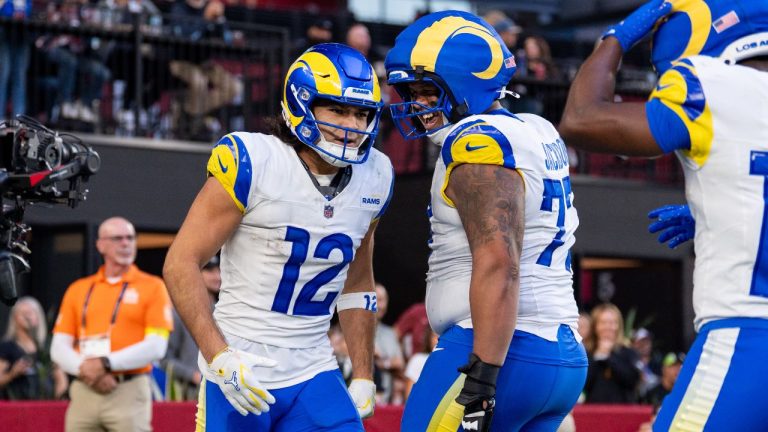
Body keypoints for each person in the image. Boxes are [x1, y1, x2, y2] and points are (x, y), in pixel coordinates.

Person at [163, 43, 394, 431]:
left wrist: (364, 372)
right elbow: (180, 262)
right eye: (336, 109)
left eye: (360, 113)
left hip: (314, 367)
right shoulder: (254, 161)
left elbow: (357, 280)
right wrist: (219, 356)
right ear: (301, 104)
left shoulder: (376, 175)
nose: (352, 126)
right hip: (242, 365)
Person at [559, 0, 768, 429]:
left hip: (747, 335)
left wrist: (614, 40)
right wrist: (721, 213)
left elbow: (581, 119)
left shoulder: (711, 84)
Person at [385, 10, 587, 431]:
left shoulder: (477, 142)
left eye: (426, 90)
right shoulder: (537, 128)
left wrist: (483, 372)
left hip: (496, 350)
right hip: (561, 355)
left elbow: (500, 261)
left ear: (465, 82)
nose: (416, 104)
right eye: (410, 91)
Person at [50, 216, 173, 432]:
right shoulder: (78, 289)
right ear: (100, 245)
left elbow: (156, 346)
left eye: (130, 238)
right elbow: (58, 347)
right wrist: (88, 371)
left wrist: (106, 364)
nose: (126, 243)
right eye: (118, 238)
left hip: (128, 389)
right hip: (85, 389)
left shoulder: (153, 287)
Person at [161, 256, 221, 401]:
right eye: (210, 271)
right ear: (195, 275)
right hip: (188, 394)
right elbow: (165, 359)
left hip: (223, 392)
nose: (217, 276)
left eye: (219, 270)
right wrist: (192, 375)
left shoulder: (228, 312)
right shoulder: (178, 314)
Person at [0, 296, 67, 400]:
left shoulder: (47, 347)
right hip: (17, 406)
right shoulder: (7, 347)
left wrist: (56, 404)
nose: (27, 317)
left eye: (30, 313)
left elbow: (61, 379)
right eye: (23, 313)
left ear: (38, 317)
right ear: (14, 318)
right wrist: (12, 373)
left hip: (45, 406)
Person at [583, 303, 641, 403]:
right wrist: (598, 356)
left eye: (612, 322)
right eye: (603, 323)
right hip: (593, 412)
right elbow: (582, 385)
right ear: (595, 326)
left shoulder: (628, 352)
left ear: (619, 326)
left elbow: (632, 381)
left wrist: (609, 358)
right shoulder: (587, 353)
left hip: (624, 411)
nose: (608, 327)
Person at [372, 283, 404, 404]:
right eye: (376, 299)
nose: (379, 305)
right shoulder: (353, 330)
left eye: (382, 300)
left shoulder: (390, 333)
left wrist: (380, 361)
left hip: (385, 401)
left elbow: (400, 365)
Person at [0, 0, 32, 119]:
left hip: (22, 35)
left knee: (19, 76)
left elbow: (29, 8)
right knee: (3, 75)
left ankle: (18, 118)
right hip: (4, 33)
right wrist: (11, 12)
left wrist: (21, 14)